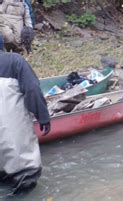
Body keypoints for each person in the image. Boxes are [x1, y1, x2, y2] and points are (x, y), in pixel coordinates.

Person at [0, 33, 50, 195]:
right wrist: (42, 116)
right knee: (25, 178)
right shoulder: (14, 61)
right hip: (11, 136)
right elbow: (32, 89)